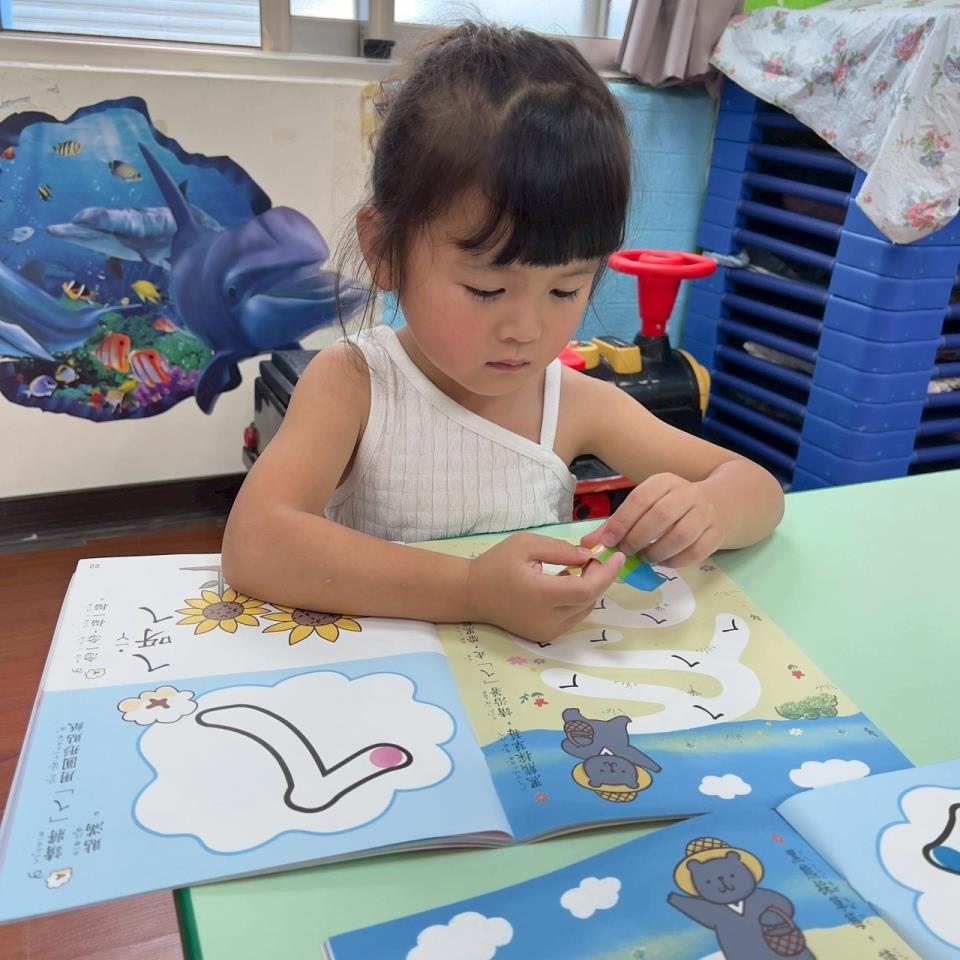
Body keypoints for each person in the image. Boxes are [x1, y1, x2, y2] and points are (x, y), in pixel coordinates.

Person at [222, 22, 784, 643]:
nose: (526, 329)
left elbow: (758, 489)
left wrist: (707, 510)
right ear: (385, 251)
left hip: (524, 683)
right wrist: (471, 589)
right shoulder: (355, 384)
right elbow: (257, 543)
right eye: (487, 289)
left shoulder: (575, 403)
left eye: (565, 290)